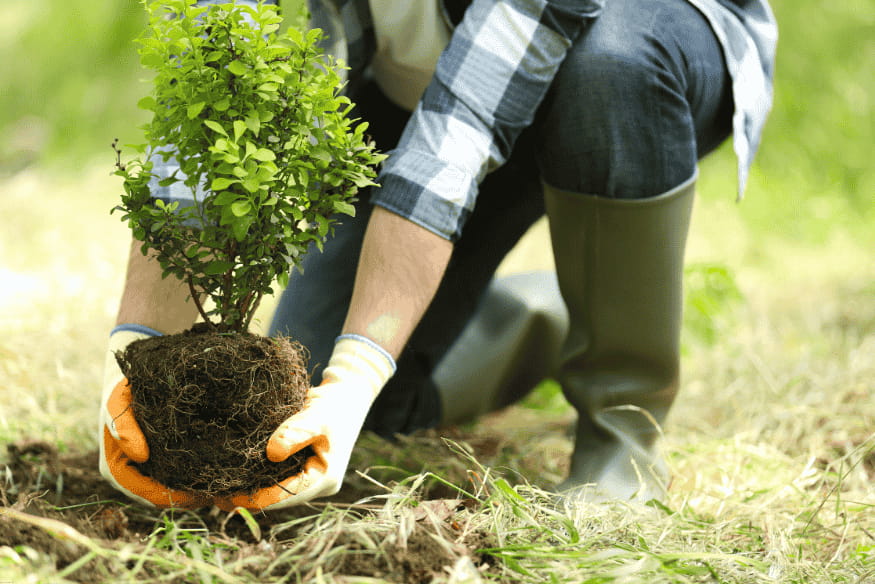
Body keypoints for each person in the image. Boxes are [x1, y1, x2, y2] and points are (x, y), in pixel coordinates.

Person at [100, 0, 777, 509]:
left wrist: (362, 367)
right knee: (317, 400)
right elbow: (224, 79)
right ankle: (556, 311)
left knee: (611, 67)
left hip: (630, 50)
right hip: (410, 87)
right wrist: (136, 354)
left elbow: (462, 125)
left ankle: (620, 430)